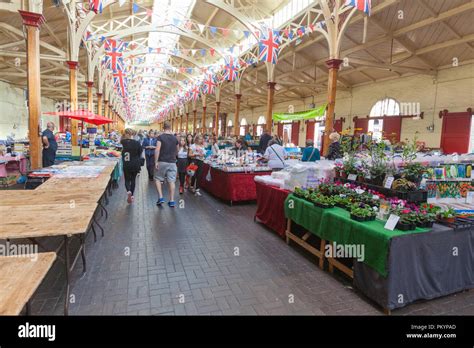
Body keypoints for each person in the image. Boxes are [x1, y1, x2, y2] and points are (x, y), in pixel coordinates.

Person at [155, 121, 179, 207]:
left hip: (162, 161)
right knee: (171, 181)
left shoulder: (160, 137)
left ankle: (161, 197)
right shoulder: (175, 138)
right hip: (172, 162)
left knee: (158, 178)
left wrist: (156, 161)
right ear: (170, 127)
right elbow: (177, 150)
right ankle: (172, 200)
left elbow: (157, 149)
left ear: (163, 127)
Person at [121, 128, 142, 204]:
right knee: (133, 180)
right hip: (135, 164)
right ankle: (132, 195)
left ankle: (128, 191)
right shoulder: (137, 143)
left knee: (127, 179)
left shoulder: (122, 142)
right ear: (132, 134)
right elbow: (140, 153)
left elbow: (120, 152)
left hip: (126, 163)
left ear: (126, 134)